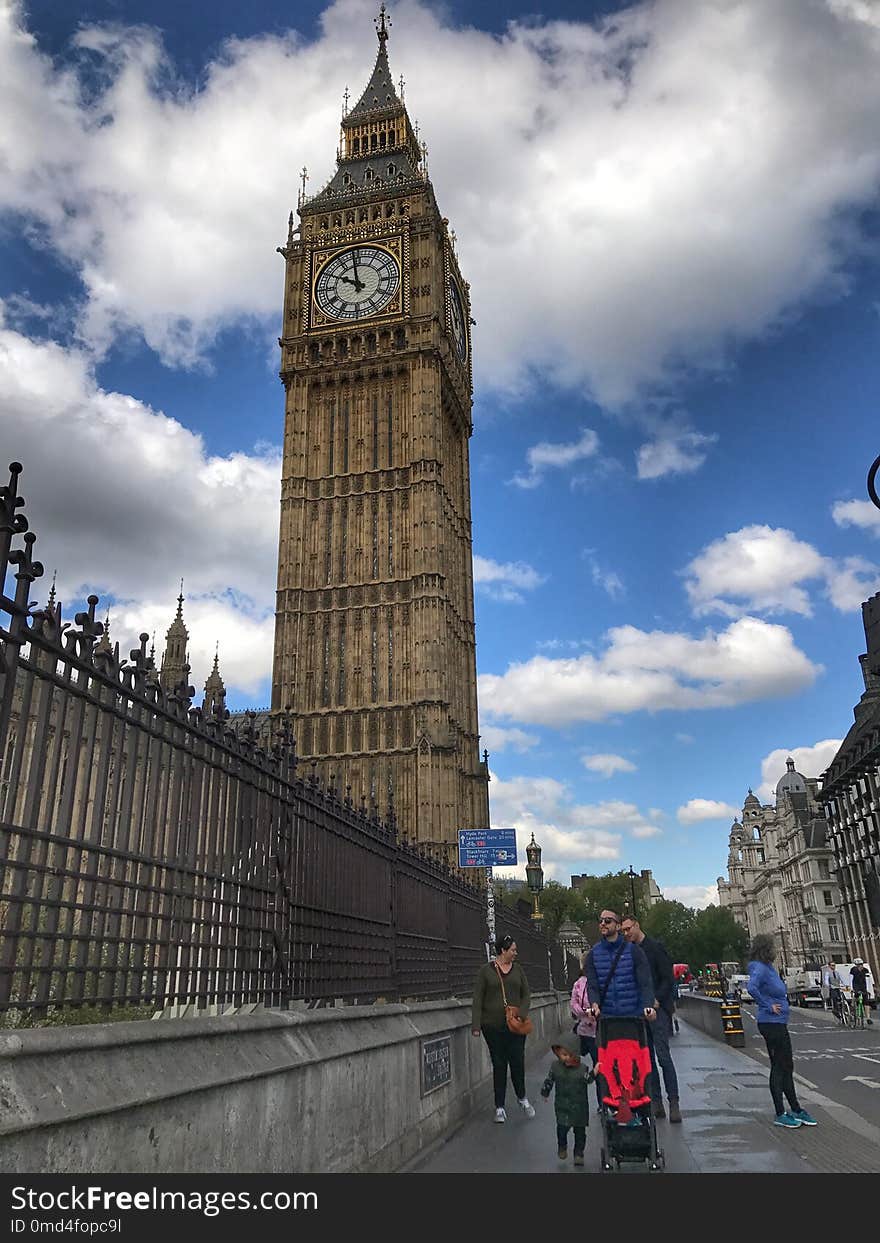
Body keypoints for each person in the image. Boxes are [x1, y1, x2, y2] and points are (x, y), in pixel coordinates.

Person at [747, 933, 818, 1129]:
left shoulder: (767, 968)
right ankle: (780, 1112)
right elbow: (751, 988)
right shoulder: (760, 969)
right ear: (766, 949)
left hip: (778, 1022)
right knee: (779, 1066)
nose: (776, 950)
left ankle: (795, 1108)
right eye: (773, 947)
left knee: (787, 1065)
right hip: (771, 1022)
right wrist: (768, 1005)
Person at [621, 914, 682, 1123]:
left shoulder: (655, 948)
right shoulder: (629, 953)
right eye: (624, 931)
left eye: (628, 929)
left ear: (637, 926)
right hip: (640, 1012)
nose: (626, 933)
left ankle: (673, 1101)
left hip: (658, 1010)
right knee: (647, 1060)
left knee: (663, 1057)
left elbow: (667, 978)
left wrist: (657, 999)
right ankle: (656, 1102)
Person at [471, 934, 536, 1123]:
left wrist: (522, 1014)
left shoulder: (519, 971)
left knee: (517, 1061)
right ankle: (499, 1107)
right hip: (492, 1026)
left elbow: (526, 995)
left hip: (515, 1025)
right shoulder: (486, 971)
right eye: (513, 950)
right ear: (503, 951)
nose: (516, 953)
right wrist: (476, 1025)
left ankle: (522, 1098)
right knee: (499, 1064)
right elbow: (478, 999)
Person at [584, 908, 655, 1022]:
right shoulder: (593, 954)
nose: (603, 923)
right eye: (600, 920)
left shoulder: (634, 951)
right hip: (606, 1018)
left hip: (634, 1017)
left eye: (607, 920)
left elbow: (645, 983)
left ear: (617, 926)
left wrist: (647, 1005)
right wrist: (594, 1004)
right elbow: (593, 985)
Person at [540, 1030, 592, 1166]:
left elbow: (588, 1080)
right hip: (562, 1105)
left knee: (580, 1132)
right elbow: (549, 1080)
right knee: (562, 1129)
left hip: (579, 1106)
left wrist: (595, 1073)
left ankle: (578, 1153)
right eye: (562, 1055)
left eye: (568, 1055)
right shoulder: (556, 1067)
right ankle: (562, 1146)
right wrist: (545, 1092)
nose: (565, 1058)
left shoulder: (583, 1069)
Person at [570, 955, 598, 1068]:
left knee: (599, 1062)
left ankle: (600, 1083)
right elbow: (573, 1003)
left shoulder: (600, 981)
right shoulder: (578, 984)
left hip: (598, 1030)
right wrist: (584, 1012)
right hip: (584, 1029)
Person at [850, 959, 873, 1024]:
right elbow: (850, 979)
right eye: (859, 965)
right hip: (856, 985)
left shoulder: (866, 970)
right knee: (855, 997)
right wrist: (852, 988)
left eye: (861, 964)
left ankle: (868, 1018)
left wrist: (868, 989)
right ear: (856, 965)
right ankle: (852, 1009)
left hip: (863, 986)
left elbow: (868, 980)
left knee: (866, 1002)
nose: (860, 966)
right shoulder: (853, 970)